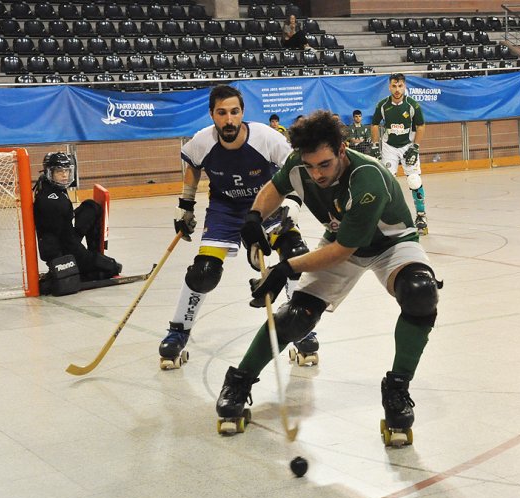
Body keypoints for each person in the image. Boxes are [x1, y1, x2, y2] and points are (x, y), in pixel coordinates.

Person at [215, 111, 441, 446]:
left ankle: (396, 389)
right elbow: (275, 187)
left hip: (390, 244)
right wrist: (253, 217)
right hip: (341, 241)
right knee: (294, 318)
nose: (317, 174)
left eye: (325, 164)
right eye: (310, 166)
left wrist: (286, 268)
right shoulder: (300, 163)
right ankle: (238, 381)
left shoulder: (367, 179)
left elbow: (343, 250)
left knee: (420, 293)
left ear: (342, 151)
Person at [159, 85, 312, 370]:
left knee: (295, 254)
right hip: (225, 209)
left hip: (266, 203)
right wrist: (186, 205)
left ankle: (301, 326)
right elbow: (192, 164)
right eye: (222, 113)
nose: (229, 120)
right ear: (212, 114)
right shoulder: (202, 141)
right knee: (204, 272)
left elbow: (295, 168)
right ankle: (178, 331)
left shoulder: (266, 137)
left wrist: (292, 202)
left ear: (242, 112)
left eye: (234, 112)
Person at [33, 152, 122, 292]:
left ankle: (91, 257)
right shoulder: (53, 202)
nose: (64, 175)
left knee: (90, 207)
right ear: (50, 172)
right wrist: (89, 259)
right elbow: (67, 243)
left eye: (67, 171)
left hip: (64, 238)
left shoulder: (47, 185)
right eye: (59, 171)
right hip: (63, 251)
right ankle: (75, 272)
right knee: (113, 267)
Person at [370, 73, 428, 234]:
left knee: (414, 180)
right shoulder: (382, 105)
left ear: (405, 86)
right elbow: (374, 124)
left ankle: (421, 216)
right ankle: (387, 217)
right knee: (387, 183)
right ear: (389, 86)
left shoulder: (412, 105)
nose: (397, 89)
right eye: (394, 86)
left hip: (408, 146)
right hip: (389, 147)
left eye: (400, 86)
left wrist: (415, 147)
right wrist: (375, 145)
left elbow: (421, 126)